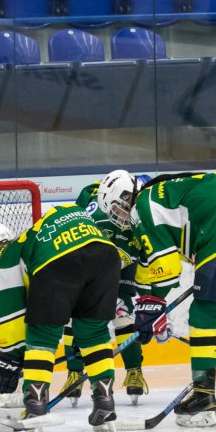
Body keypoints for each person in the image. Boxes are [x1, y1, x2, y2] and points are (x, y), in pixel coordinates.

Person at [98, 168, 216, 427]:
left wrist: (153, 306)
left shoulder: (144, 203)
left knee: (203, 317)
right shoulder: (169, 189)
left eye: (117, 209)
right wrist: (149, 305)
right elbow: (157, 262)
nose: (120, 217)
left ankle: (203, 396)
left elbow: (167, 267)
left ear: (125, 196)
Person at [0, 204, 122, 432]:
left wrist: (10, 359)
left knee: (42, 336)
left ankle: (35, 405)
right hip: (106, 254)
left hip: (60, 258)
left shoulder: (1, 259)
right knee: (94, 334)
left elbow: (12, 324)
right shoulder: (28, 241)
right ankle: (105, 401)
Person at [67, 174, 151, 406]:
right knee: (74, 315)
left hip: (123, 264)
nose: (126, 216)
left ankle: (134, 371)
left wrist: (153, 304)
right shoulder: (91, 218)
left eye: (130, 210)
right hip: (89, 268)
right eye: (122, 209)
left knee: (123, 314)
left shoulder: (143, 221)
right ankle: (74, 371)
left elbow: (149, 266)